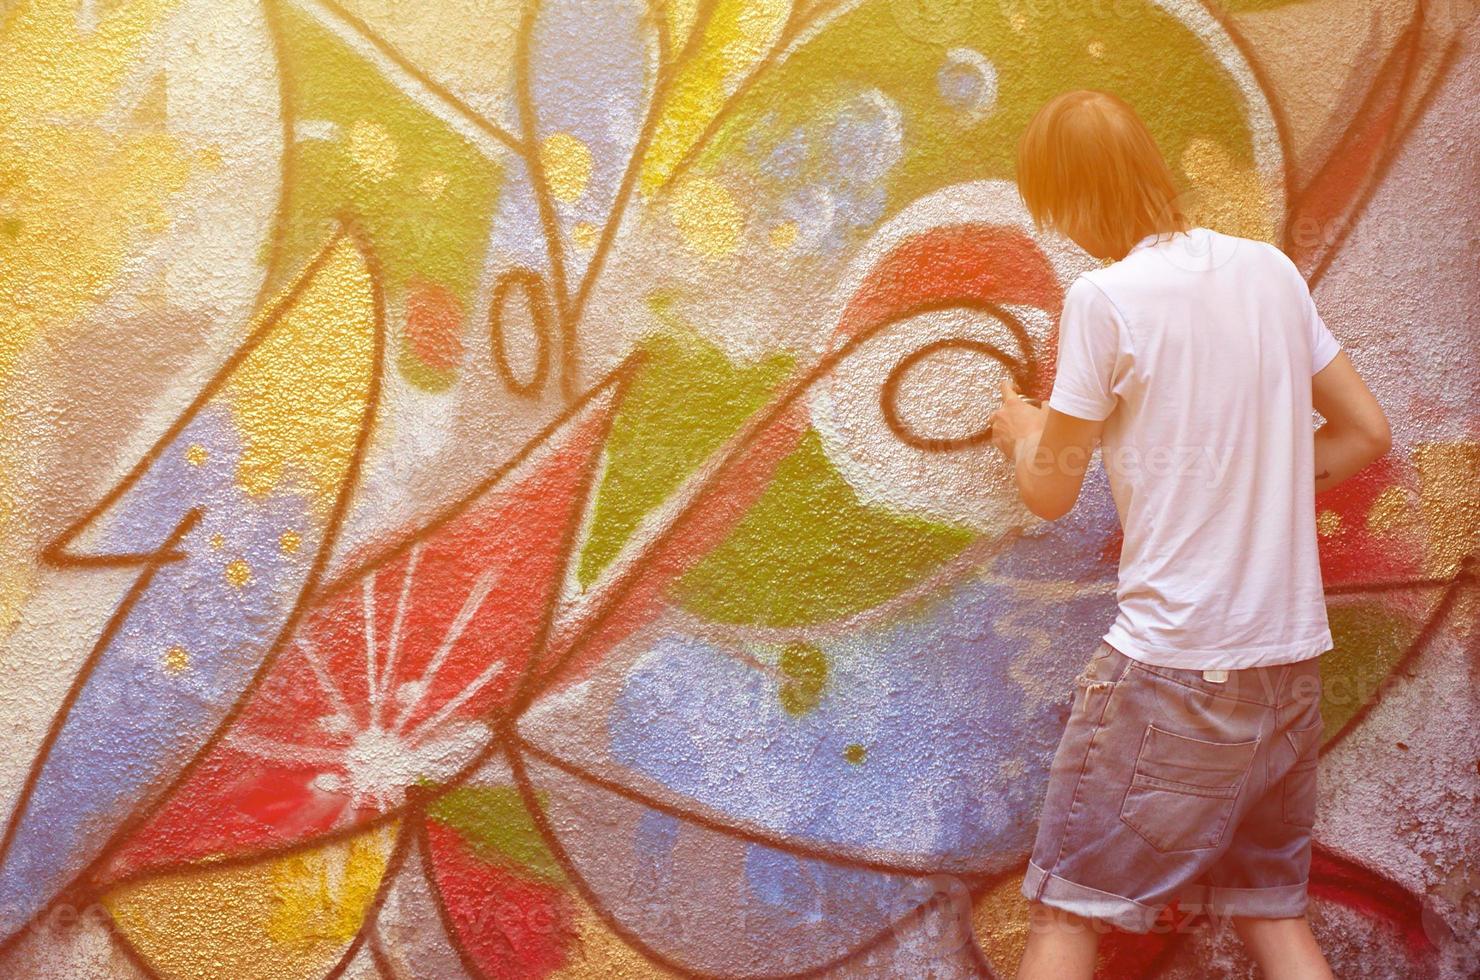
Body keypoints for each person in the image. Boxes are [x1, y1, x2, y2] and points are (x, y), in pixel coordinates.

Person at [990, 90, 1391, 980]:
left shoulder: (1105, 299)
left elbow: (1051, 493)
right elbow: (1364, 431)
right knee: (1272, 918)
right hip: (1285, 669)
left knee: (1066, 917)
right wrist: (1256, 480)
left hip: (1176, 671)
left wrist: (1023, 435)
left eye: (1052, 211)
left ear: (1070, 198)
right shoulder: (1271, 272)